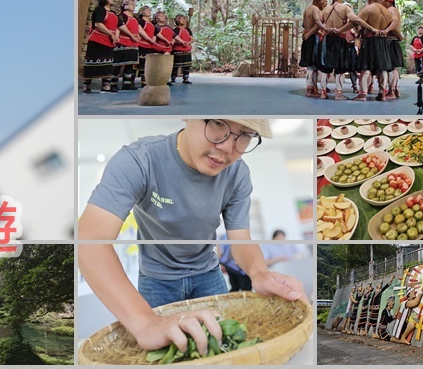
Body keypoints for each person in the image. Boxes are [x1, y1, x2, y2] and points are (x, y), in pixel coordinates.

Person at [79, 119, 304, 354]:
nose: (228, 148)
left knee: (223, 348)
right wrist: (145, 322)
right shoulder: (139, 160)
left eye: (245, 134)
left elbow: (240, 237)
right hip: (156, 280)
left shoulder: (237, 173)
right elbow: (90, 241)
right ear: (187, 114)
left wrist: (259, 272)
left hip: (208, 274)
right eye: (218, 124)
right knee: (167, 354)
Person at [316, 0, 378, 99]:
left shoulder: (325, 9)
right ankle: (338, 93)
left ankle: (323, 92)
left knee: (325, 67)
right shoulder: (344, 8)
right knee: (340, 67)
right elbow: (355, 20)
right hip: (340, 39)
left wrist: (326, 28)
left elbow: (318, 23)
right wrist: (371, 28)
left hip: (327, 39)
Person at [84, 0, 120, 94]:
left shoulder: (113, 13)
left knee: (108, 63)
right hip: (98, 40)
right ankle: (87, 86)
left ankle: (106, 85)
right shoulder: (99, 10)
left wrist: (116, 36)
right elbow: (98, 24)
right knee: (92, 62)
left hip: (109, 41)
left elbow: (118, 26)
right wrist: (111, 34)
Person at [301, 0, 326, 97]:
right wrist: (310, 33)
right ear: (318, 1)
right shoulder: (316, 9)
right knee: (312, 65)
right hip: (313, 38)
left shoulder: (307, 9)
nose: (325, 4)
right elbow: (317, 23)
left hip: (307, 37)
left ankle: (312, 87)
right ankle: (311, 89)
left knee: (310, 65)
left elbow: (304, 24)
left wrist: (306, 33)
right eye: (324, 1)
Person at [116, 0, 142, 90]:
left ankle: (127, 83)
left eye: (134, 4)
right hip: (123, 42)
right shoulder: (122, 16)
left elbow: (138, 29)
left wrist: (138, 36)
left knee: (130, 64)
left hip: (133, 44)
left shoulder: (135, 18)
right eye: (130, 4)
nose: (133, 6)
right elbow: (119, 28)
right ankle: (113, 83)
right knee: (118, 63)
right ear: (125, 5)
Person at [382, 0, 405, 97]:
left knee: (391, 67)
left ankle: (392, 90)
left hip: (391, 41)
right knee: (392, 67)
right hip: (391, 40)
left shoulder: (392, 9)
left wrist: (387, 30)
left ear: (388, 1)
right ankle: (394, 89)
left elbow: (395, 21)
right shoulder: (389, 10)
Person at [137, 5, 160, 86]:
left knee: (149, 64)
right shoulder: (140, 21)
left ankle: (146, 80)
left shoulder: (151, 23)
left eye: (150, 10)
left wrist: (153, 40)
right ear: (142, 12)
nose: (149, 11)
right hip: (142, 44)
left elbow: (154, 33)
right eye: (147, 10)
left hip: (150, 45)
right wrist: (149, 40)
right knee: (141, 63)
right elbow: (140, 31)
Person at [172, 13, 194, 84]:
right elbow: (174, 38)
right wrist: (181, 42)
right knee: (176, 65)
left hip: (187, 49)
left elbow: (192, 39)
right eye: (181, 19)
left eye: (184, 19)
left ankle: (186, 79)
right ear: (177, 21)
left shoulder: (187, 29)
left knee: (187, 66)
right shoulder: (176, 29)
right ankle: (173, 79)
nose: (183, 20)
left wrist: (188, 43)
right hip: (178, 50)